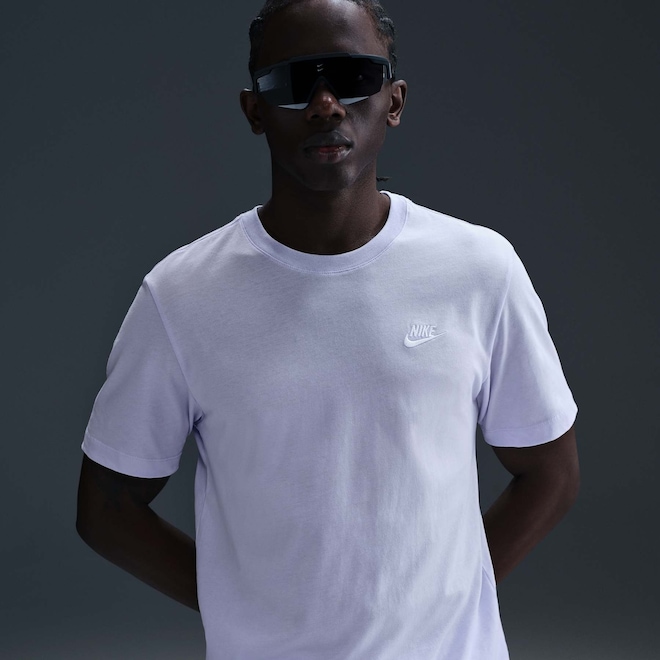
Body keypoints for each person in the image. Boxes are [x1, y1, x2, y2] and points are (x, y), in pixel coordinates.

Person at [75, 0, 580, 658]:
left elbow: (552, 473)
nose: (324, 104)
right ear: (254, 110)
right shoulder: (181, 296)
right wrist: (243, 605)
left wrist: (452, 601)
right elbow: (106, 509)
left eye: (353, 77)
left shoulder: (479, 270)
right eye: (292, 82)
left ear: (394, 100)